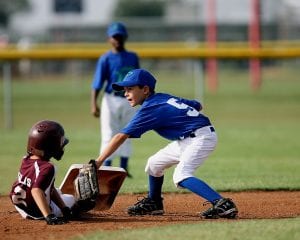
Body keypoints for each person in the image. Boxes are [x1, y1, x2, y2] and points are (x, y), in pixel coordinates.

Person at [94, 69, 238, 219]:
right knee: (154, 164)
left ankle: (222, 204)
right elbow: (197, 105)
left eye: (130, 89)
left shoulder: (150, 108)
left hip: (200, 138)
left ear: (145, 89)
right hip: (188, 138)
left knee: (181, 175)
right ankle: (154, 202)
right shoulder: (162, 98)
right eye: (125, 90)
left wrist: (99, 161)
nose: (125, 94)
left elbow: (120, 136)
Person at [10, 120, 93, 225]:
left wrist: (64, 208)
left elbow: (47, 188)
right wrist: (50, 216)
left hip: (21, 207)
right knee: (71, 199)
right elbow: (36, 190)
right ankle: (74, 211)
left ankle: (62, 209)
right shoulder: (48, 167)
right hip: (38, 212)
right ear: (51, 147)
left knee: (56, 191)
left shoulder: (26, 159)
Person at [91, 22, 140, 177]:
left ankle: (124, 169)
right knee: (108, 133)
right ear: (109, 39)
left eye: (120, 36)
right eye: (114, 36)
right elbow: (98, 82)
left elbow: (138, 79)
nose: (117, 39)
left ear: (125, 37)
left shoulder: (132, 57)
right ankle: (107, 168)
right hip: (111, 98)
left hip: (129, 99)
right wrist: (94, 103)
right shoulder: (105, 58)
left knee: (127, 133)